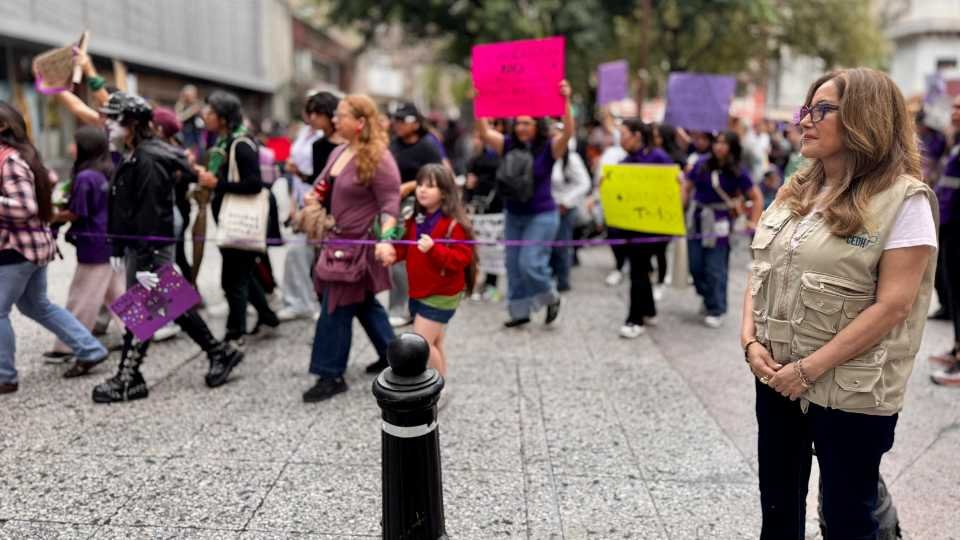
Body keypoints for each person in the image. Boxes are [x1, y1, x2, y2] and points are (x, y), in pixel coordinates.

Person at [742, 68, 937, 539]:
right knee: (778, 509)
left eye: (822, 110)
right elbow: (760, 270)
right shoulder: (794, 190)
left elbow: (892, 307)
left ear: (865, 118)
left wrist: (807, 371)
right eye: (805, 110)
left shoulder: (903, 201)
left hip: (851, 391)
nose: (806, 121)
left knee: (849, 516)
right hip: (776, 377)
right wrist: (749, 342)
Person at [93, 95, 243, 403]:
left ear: (132, 124)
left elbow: (151, 213)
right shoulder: (136, 152)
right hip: (142, 242)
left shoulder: (146, 158)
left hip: (149, 243)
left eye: (112, 119)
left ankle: (129, 376)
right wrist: (120, 243)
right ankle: (218, 352)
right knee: (165, 302)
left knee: (144, 307)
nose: (106, 125)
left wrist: (144, 257)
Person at [0, 102, 109, 394]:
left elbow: (25, 206)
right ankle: (90, 348)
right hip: (34, 246)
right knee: (36, 304)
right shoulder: (26, 156)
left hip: (18, 249)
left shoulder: (8, 159)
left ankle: (4, 376)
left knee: (2, 310)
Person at [303, 94, 401, 402]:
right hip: (338, 242)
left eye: (341, 115)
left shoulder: (379, 157)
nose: (335, 119)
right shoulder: (340, 152)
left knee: (335, 305)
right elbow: (320, 188)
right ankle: (396, 357)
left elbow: (390, 205)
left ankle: (330, 374)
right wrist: (310, 206)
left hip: (360, 246)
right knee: (363, 302)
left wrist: (386, 239)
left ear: (360, 122)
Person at [475, 80, 574, 327]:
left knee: (530, 263)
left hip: (541, 215)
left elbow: (569, 133)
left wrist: (566, 101)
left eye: (527, 123)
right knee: (513, 265)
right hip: (514, 214)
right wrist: (480, 101)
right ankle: (519, 312)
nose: (521, 127)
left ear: (537, 125)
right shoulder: (507, 145)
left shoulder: (549, 148)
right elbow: (485, 133)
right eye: (518, 122)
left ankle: (550, 297)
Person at [197, 90, 280, 345]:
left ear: (223, 117)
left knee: (232, 280)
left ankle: (235, 335)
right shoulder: (223, 141)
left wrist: (217, 184)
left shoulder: (240, 144)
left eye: (210, 111)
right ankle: (266, 315)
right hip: (227, 219)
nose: (205, 115)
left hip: (240, 221)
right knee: (243, 275)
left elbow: (254, 184)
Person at [45, 126, 125, 361]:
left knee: (81, 296)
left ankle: (69, 346)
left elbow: (76, 213)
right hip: (109, 240)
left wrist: (48, 215)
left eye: (74, 143)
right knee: (118, 295)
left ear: (84, 148)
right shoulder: (106, 171)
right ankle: (140, 334)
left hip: (93, 244)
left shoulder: (85, 176)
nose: (71, 147)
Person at [388, 164, 474, 380]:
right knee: (434, 342)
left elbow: (462, 259)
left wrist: (434, 249)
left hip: (441, 294)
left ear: (444, 192)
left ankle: (437, 388)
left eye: (431, 186)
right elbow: (405, 248)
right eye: (420, 185)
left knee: (422, 344)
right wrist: (390, 254)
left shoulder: (454, 225)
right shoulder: (415, 219)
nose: (422, 190)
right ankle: (441, 383)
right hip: (419, 290)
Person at [683, 131, 763, 328]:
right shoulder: (701, 163)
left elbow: (757, 197)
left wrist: (753, 222)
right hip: (697, 220)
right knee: (695, 266)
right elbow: (686, 186)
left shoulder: (738, 171)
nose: (719, 146)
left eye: (724, 143)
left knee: (715, 267)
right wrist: (677, 210)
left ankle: (716, 307)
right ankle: (707, 296)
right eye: (717, 142)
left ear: (732, 147)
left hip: (720, 223)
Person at [385, 102, 444, 330]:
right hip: (393, 205)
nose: (397, 125)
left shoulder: (428, 146)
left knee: (407, 254)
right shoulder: (394, 145)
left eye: (402, 120)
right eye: (395, 120)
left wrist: (410, 186)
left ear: (415, 123)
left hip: (417, 207)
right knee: (394, 254)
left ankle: (408, 307)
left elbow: (437, 176)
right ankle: (399, 305)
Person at [615, 120, 675, 338]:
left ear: (637, 135)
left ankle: (634, 319)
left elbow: (673, 187)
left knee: (638, 269)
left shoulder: (658, 158)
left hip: (655, 227)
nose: (620, 139)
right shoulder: (623, 163)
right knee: (639, 267)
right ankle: (648, 310)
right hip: (632, 226)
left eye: (623, 134)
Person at [929, 94, 960, 386]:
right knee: (953, 290)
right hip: (949, 225)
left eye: (959, 108)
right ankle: (957, 349)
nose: (954, 112)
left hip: (957, 225)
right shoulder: (954, 142)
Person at [548, 132, 591, 293]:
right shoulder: (549, 158)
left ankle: (563, 280)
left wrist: (566, 202)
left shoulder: (572, 160)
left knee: (562, 244)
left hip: (566, 208)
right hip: (549, 207)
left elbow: (584, 183)